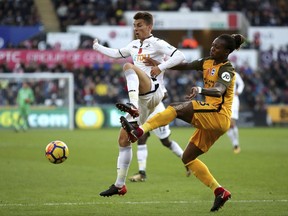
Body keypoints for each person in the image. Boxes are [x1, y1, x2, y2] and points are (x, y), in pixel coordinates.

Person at [120, 34, 246, 212]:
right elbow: (184, 65)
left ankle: (139, 131)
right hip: (210, 118)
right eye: (212, 45)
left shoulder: (227, 69)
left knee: (175, 108)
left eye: (217, 47)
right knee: (188, 158)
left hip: (218, 115)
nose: (212, 48)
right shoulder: (207, 61)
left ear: (226, 52)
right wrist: (161, 65)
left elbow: (219, 90)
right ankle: (219, 191)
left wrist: (200, 89)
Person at [92, 11, 185, 196]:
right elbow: (116, 53)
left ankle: (132, 106)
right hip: (144, 100)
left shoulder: (157, 43)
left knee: (128, 67)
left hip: (155, 91)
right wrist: (97, 47)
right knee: (123, 140)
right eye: (134, 25)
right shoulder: (133, 45)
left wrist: (160, 66)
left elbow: (180, 56)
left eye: (140, 25)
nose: (136, 28)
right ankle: (119, 185)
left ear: (150, 26)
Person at [129, 96, 184, 182]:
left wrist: (152, 99)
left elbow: (165, 94)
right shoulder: (135, 83)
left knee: (165, 142)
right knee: (141, 139)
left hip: (157, 113)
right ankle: (142, 173)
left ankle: (186, 159)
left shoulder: (156, 82)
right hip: (144, 112)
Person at [227, 72, 245, 154]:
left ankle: (236, 145)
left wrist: (238, 91)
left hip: (233, 100)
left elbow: (241, 83)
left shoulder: (234, 74)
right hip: (224, 101)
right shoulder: (219, 73)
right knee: (227, 125)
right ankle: (235, 144)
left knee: (232, 122)